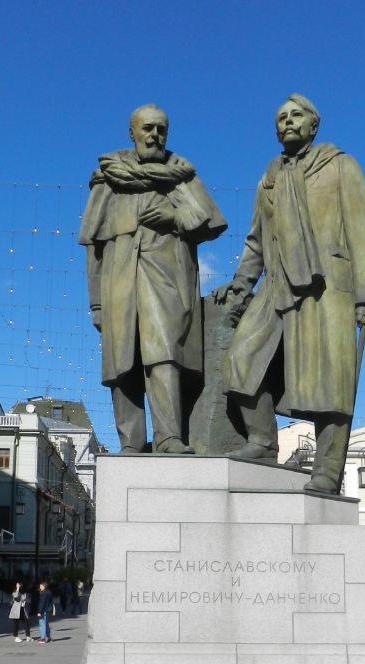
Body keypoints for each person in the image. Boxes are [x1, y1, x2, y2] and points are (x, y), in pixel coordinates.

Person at [218, 94, 365, 493]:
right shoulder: (271, 174)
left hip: (329, 288)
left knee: (331, 382)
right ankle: (262, 440)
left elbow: (361, 232)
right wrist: (241, 284)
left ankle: (327, 470)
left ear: (313, 124)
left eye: (295, 116)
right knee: (242, 358)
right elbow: (256, 240)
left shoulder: (341, 166)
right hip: (277, 285)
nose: (287, 122)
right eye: (281, 118)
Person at [80, 104, 227, 454]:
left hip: (166, 278)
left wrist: (175, 217)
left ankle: (168, 436)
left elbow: (212, 224)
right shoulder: (108, 178)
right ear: (132, 132)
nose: (154, 135)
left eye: (161, 129)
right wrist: (96, 302)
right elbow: (93, 245)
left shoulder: (181, 174)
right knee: (121, 363)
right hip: (118, 280)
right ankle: (130, 443)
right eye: (147, 128)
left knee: (163, 354)